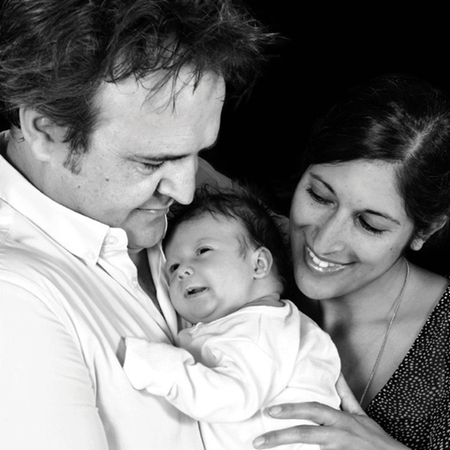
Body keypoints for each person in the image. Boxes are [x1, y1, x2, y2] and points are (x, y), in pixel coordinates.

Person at [0, 1, 275, 448]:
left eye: (198, 152)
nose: (185, 191)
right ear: (47, 130)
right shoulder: (12, 300)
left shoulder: (180, 185)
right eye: (152, 162)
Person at [251, 74, 450, 450]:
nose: (324, 241)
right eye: (319, 195)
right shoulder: (247, 245)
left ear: (424, 230)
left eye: (369, 224)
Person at [123, 185, 341, 450]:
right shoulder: (265, 323)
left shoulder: (260, 330)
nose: (182, 271)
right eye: (173, 267)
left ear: (258, 264)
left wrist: (155, 364)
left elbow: (232, 397)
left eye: (203, 251)